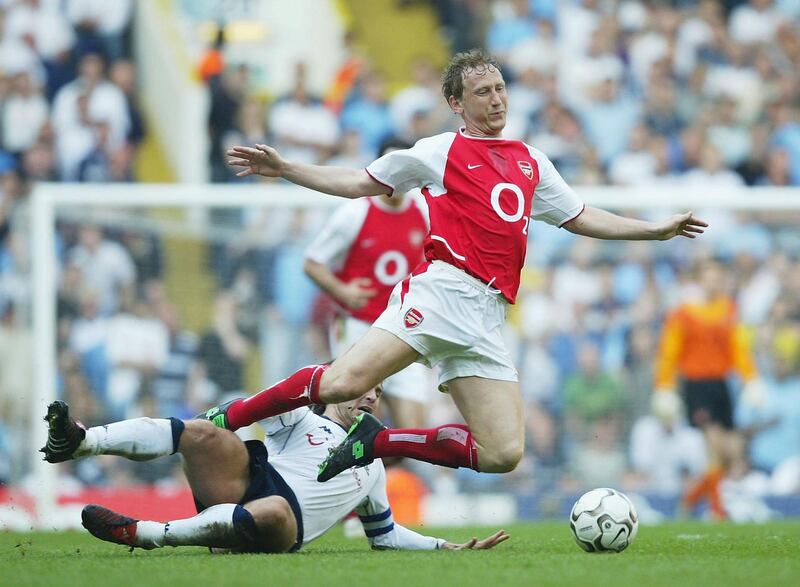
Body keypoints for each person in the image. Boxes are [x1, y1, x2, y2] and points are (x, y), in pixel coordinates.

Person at [214, 48, 706, 482]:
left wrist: (653, 229)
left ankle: (374, 442)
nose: (496, 100)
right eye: (483, 92)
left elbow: (579, 216)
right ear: (457, 103)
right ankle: (232, 416)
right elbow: (358, 181)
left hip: (488, 315)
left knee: (503, 453)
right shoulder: (440, 151)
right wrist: (286, 170)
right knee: (344, 383)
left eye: (500, 89)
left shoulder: (531, 160)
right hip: (443, 294)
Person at [40, 394, 508, 553]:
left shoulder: (374, 464)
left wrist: (443, 545)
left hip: (283, 523)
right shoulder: (304, 417)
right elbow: (261, 405)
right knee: (202, 432)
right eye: (362, 388)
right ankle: (81, 442)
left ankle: (141, 533)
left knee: (276, 511)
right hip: (244, 483)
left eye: (377, 394)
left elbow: (384, 536)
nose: (369, 398)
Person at [303, 138, 431, 429]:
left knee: (413, 433)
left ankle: (372, 472)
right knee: (356, 416)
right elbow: (312, 262)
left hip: (402, 329)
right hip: (359, 326)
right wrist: (343, 291)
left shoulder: (423, 211)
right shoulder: (355, 213)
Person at [653, 258, 764, 519]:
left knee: (731, 452)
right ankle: (718, 511)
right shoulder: (683, 313)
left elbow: (738, 349)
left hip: (721, 385)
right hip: (697, 385)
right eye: (709, 276)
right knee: (714, 448)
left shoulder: (728, 310)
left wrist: (751, 378)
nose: (715, 282)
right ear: (699, 280)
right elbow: (669, 352)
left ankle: (690, 500)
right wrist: (664, 386)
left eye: (718, 277)